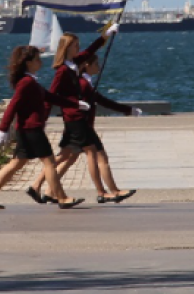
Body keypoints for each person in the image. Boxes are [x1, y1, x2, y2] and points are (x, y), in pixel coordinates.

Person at [0, 45, 89, 209]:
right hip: (32, 129)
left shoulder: (30, 81)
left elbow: (50, 97)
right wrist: (3, 130)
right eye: (37, 59)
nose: (40, 62)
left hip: (26, 129)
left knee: (17, 163)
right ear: (28, 62)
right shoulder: (26, 82)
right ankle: (62, 198)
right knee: (50, 163)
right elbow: (13, 106)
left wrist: (75, 104)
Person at [24, 26, 118, 205]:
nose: (78, 48)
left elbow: (90, 51)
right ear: (67, 48)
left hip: (75, 115)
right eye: (75, 45)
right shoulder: (62, 70)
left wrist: (105, 36)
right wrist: (42, 119)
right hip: (73, 116)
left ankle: (37, 186)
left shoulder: (73, 63)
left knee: (66, 155)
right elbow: (50, 95)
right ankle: (102, 192)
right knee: (90, 151)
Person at [34, 53, 140, 204]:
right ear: (86, 66)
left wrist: (128, 110)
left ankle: (45, 189)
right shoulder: (83, 84)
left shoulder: (83, 83)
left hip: (76, 124)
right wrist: (128, 110)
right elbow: (102, 100)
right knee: (99, 156)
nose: (99, 66)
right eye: (96, 64)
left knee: (67, 157)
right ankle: (107, 192)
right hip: (81, 125)